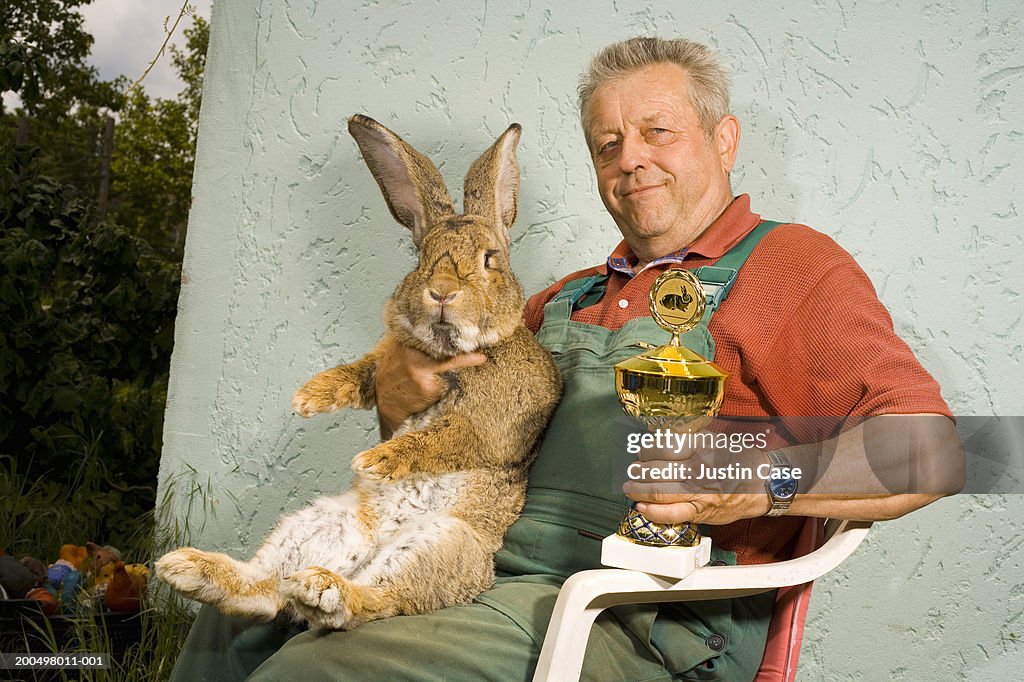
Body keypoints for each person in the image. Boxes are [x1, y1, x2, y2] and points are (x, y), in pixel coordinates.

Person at [171, 37, 964, 681]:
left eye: (658, 132)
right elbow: (461, 444)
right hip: (487, 570)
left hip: (643, 616)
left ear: (723, 140)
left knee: (321, 669)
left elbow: (935, 450)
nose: (630, 160)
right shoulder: (559, 300)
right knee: (230, 623)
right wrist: (396, 393)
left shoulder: (791, 266)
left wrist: (756, 480)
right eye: (607, 143)